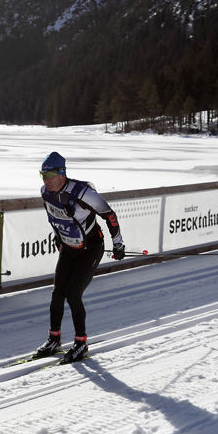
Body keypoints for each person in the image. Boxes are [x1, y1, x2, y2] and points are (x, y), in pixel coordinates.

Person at [35, 151, 125, 363]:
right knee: (57, 293)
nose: (46, 181)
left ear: (62, 174)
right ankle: (54, 339)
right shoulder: (45, 192)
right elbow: (53, 217)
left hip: (91, 248)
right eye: (43, 176)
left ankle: (81, 343)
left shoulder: (82, 193)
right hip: (69, 247)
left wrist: (118, 243)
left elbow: (109, 215)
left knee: (73, 294)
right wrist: (58, 237)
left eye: (50, 176)